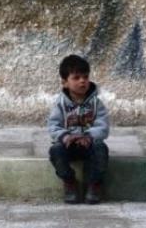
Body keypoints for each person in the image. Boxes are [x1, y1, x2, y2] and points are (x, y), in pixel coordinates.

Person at [47, 54, 110, 204]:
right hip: (69, 144)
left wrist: (89, 136)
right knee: (55, 151)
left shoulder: (96, 103)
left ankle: (94, 185)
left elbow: (103, 126)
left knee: (101, 149)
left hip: (89, 144)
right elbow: (53, 125)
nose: (82, 81)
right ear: (65, 82)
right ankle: (70, 183)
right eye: (76, 78)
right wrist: (65, 137)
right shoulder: (60, 104)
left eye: (85, 77)